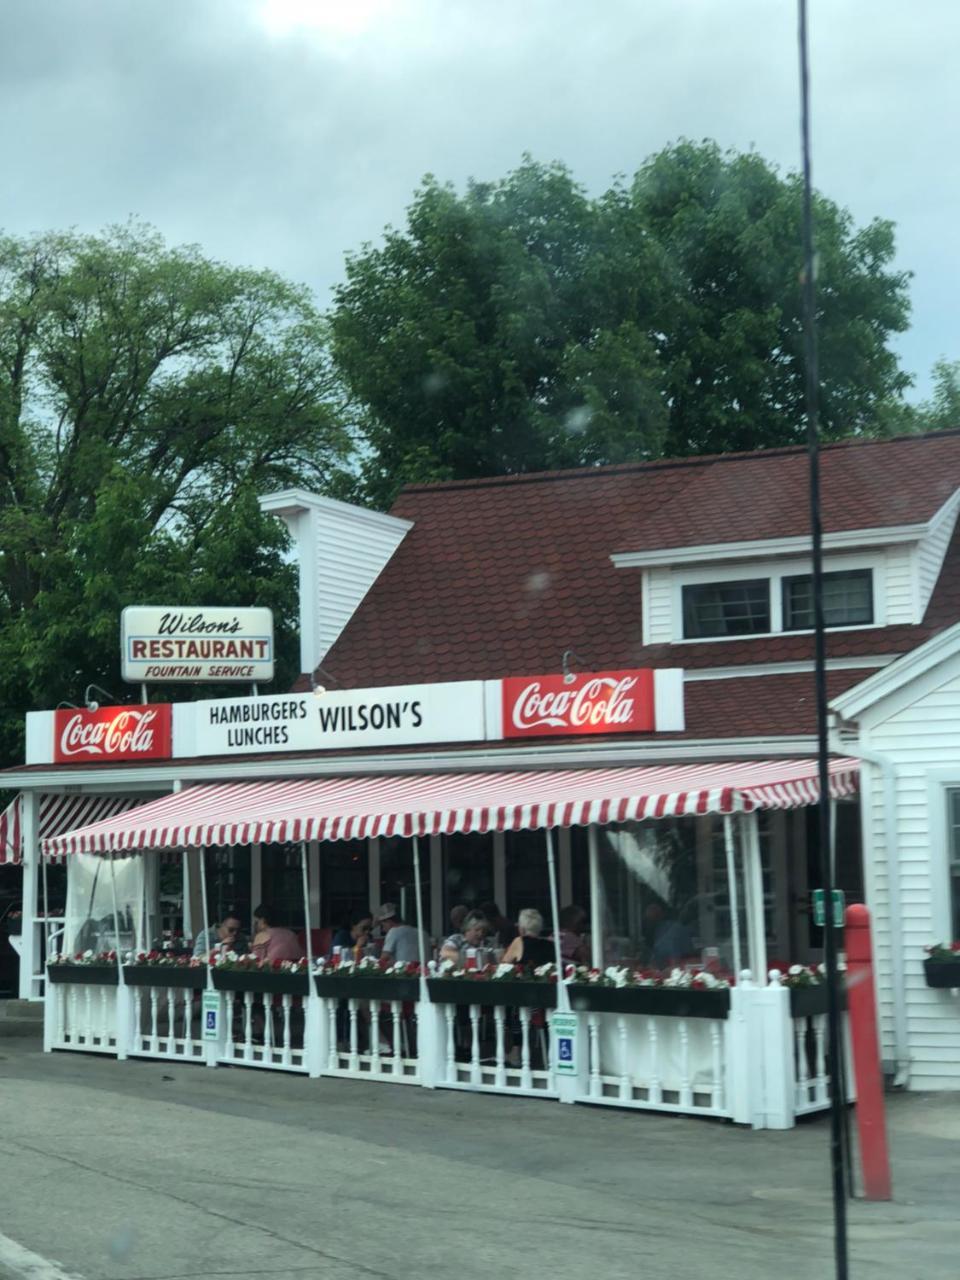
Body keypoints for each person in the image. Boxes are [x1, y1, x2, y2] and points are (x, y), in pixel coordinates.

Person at [645, 902, 696, 969]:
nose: (648, 923)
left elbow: (674, 962)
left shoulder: (673, 930)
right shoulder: (658, 931)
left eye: (652, 918)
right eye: (648, 919)